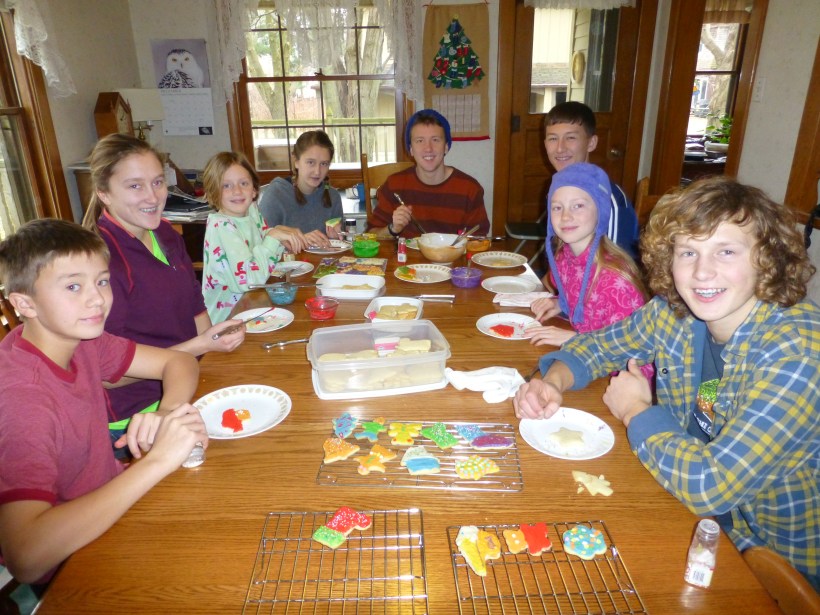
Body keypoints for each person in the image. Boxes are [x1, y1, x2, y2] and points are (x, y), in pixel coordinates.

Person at [514, 176, 820, 590]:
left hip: (773, 565)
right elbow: (597, 346)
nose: (702, 272)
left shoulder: (798, 354)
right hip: (685, 506)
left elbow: (711, 485)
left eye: (726, 251)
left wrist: (635, 410)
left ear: (766, 258)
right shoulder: (676, 312)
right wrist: (553, 381)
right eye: (688, 252)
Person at [0, 219, 207, 587]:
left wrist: (166, 412)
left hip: (115, 502)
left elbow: (179, 362)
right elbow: (27, 557)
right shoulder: (23, 401)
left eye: (102, 281)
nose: (97, 299)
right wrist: (158, 460)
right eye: (73, 286)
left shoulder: (81, 339)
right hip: (74, 561)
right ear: (24, 303)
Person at [81, 134, 244, 454]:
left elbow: (195, 306)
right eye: (135, 186)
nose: (153, 196)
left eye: (157, 182)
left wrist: (212, 346)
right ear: (104, 192)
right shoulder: (99, 263)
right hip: (139, 418)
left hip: (192, 383)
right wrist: (200, 346)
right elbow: (105, 376)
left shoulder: (165, 233)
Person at [524, 163, 650, 364]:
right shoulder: (564, 258)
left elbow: (633, 353)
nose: (566, 216)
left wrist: (575, 339)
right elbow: (585, 309)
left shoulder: (616, 282)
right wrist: (561, 303)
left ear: (601, 211)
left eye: (578, 206)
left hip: (617, 373)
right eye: (557, 207)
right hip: (582, 360)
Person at [201, 151, 302, 323]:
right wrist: (273, 237)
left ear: (254, 189)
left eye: (244, 183)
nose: (237, 191)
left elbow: (264, 253)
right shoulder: (221, 226)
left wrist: (280, 237)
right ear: (213, 192)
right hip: (225, 322)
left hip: (250, 307)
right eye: (226, 185)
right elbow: (250, 280)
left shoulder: (251, 210)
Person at [367, 109, 490, 239]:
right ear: (411, 149)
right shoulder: (394, 185)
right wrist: (393, 229)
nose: (428, 148)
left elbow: (479, 240)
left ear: (446, 146)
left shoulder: (469, 189)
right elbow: (371, 235)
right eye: (420, 141)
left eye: (435, 140)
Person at [544, 101, 639, 258]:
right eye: (553, 139)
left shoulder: (611, 200)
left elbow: (618, 266)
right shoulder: (558, 190)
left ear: (591, 143)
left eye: (571, 138)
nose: (560, 148)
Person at [258, 130, 344, 249]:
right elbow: (260, 243)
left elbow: (338, 247)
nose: (317, 171)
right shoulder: (276, 194)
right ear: (296, 162)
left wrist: (336, 239)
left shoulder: (333, 196)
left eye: (324, 164)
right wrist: (302, 240)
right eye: (310, 162)